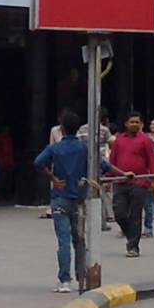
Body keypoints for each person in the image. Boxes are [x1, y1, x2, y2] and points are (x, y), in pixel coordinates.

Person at [35, 112, 90, 292]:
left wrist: (53, 178)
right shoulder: (84, 148)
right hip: (80, 199)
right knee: (79, 240)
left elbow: (38, 162)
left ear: (62, 128)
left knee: (63, 241)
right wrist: (123, 173)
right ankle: (82, 276)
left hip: (60, 197)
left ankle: (64, 280)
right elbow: (103, 165)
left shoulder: (55, 148)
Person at [106, 112, 154, 257]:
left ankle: (133, 247)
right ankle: (131, 235)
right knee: (119, 213)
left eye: (137, 122)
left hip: (139, 181)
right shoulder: (118, 140)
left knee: (135, 215)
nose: (134, 125)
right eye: (132, 122)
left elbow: (152, 161)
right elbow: (112, 160)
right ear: (126, 124)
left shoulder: (145, 140)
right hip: (120, 181)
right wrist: (108, 178)